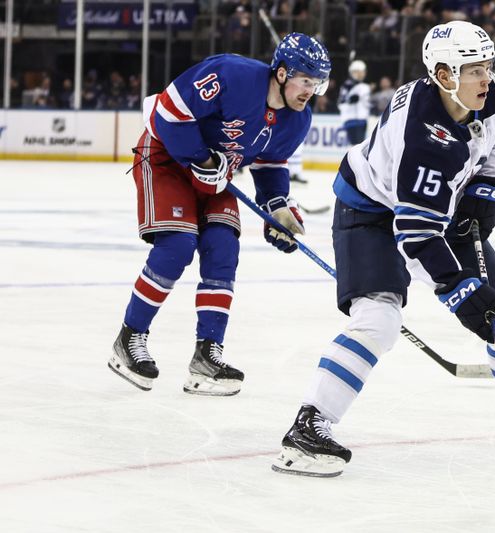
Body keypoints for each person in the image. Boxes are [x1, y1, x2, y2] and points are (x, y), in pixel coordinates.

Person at [272, 21, 495, 478]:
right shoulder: (422, 135)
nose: (488, 78)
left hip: (445, 205)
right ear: (443, 75)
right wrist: (457, 288)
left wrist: (484, 191)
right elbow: (416, 236)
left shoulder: (492, 95)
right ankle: (309, 425)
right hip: (371, 211)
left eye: (488, 66)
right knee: (379, 317)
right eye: (474, 69)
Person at [109, 34, 331, 395]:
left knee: (223, 249)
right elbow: (168, 113)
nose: (311, 90)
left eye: (317, 82)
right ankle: (129, 338)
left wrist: (278, 208)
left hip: (215, 173)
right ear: (282, 73)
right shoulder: (231, 74)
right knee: (178, 246)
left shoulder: (297, 119)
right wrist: (202, 159)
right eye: (306, 80)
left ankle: (206, 356)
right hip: (166, 157)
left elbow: (271, 164)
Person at [338, 60, 371, 145]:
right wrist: (349, 101)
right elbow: (340, 104)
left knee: (362, 147)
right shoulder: (347, 86)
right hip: (351, 120)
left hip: (363, 120)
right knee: (357, 147)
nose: (361, 74)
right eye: (357, 72)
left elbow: (367, 104)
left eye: (362, 72)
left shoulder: (365, 87)